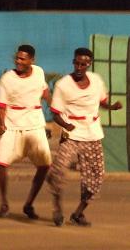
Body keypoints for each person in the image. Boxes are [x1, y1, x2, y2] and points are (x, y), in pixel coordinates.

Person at [46, 48, 122, 227]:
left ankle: (78, 214)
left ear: (89, 64)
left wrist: (111, 107)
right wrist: (66, 126)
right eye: (77, 63)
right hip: (72, 133)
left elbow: (102, 102)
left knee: (95, 178)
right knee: (58, 170)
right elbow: (55, 113)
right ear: (73, 62)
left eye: (83, 64)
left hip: (92, 134)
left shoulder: (96, 81)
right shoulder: (63, 84)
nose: (79, 67)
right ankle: (57, 207)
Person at [0, 44, 52, 219]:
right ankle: (4, 202)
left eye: (22, 58)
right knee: (0, 162)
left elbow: (45, 92)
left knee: (44, 165)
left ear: (31, 60)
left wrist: (55, 108)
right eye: (17, 58)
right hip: (12, 125)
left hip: (35, 124)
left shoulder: (39, 72)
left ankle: (29, 204)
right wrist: (2, 123)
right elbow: (1, 106)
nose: (18, 61)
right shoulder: (7, 78)